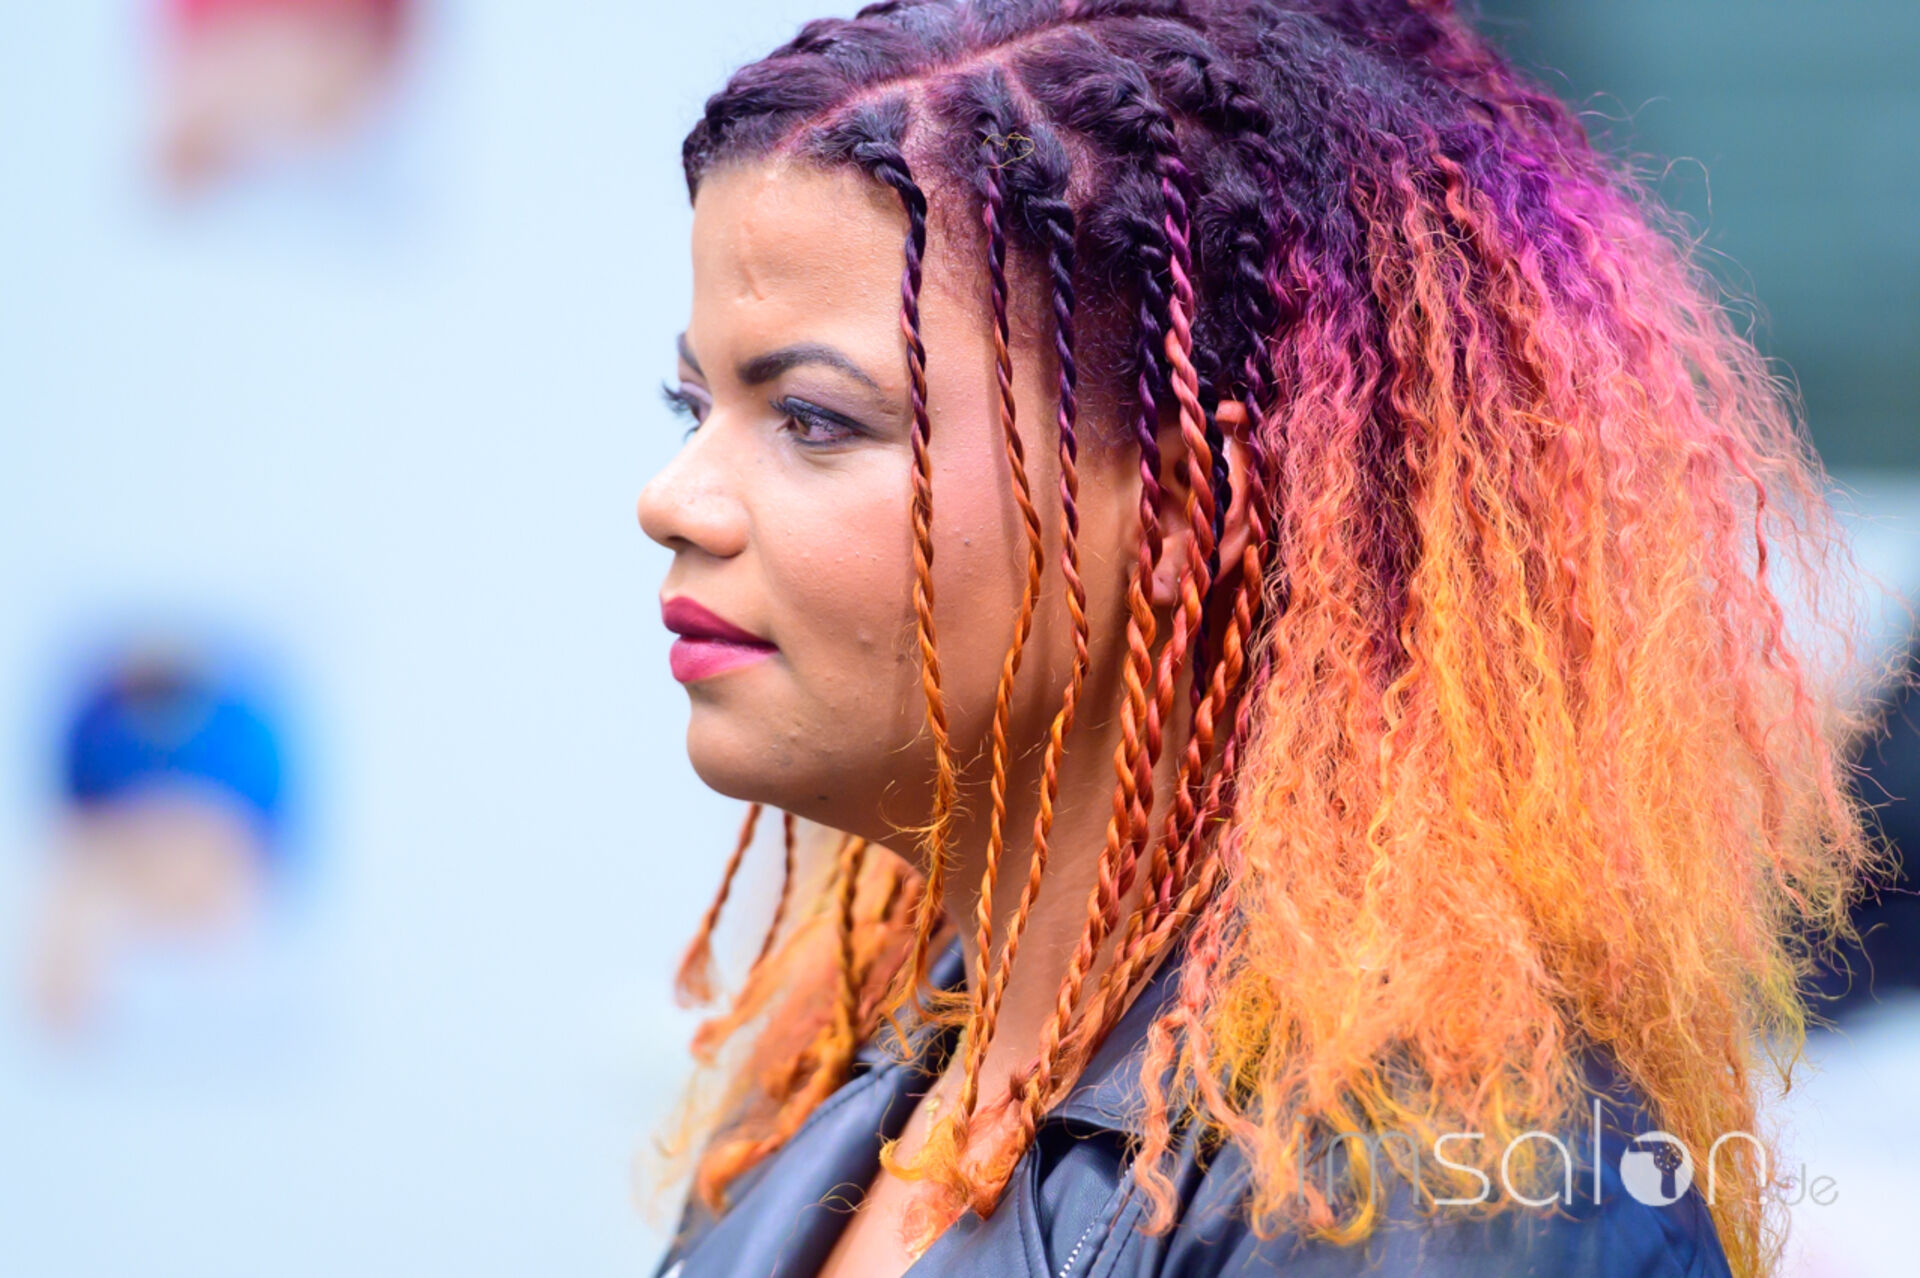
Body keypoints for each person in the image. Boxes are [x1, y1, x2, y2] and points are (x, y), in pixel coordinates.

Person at [634, 2, 1885, 1275]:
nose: (673, 500)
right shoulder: (847, 1078)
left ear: (1181, 507)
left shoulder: (1438, 1199)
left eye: (812, 419)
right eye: (693, 405)